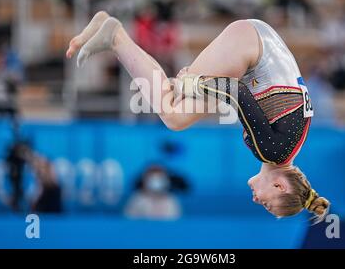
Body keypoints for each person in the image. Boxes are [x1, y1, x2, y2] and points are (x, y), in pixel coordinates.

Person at [66, 11, 330, 223]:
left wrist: (197, 85)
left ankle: (115, 37)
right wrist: (193, 84)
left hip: (258, 44)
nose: (257, 201)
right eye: (268, 204)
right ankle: (116, 38)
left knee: (176, 110)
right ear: (280, 187)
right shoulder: (272, 152)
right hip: (252, 47)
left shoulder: (287, 150)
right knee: (175, 116)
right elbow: (236, 91)